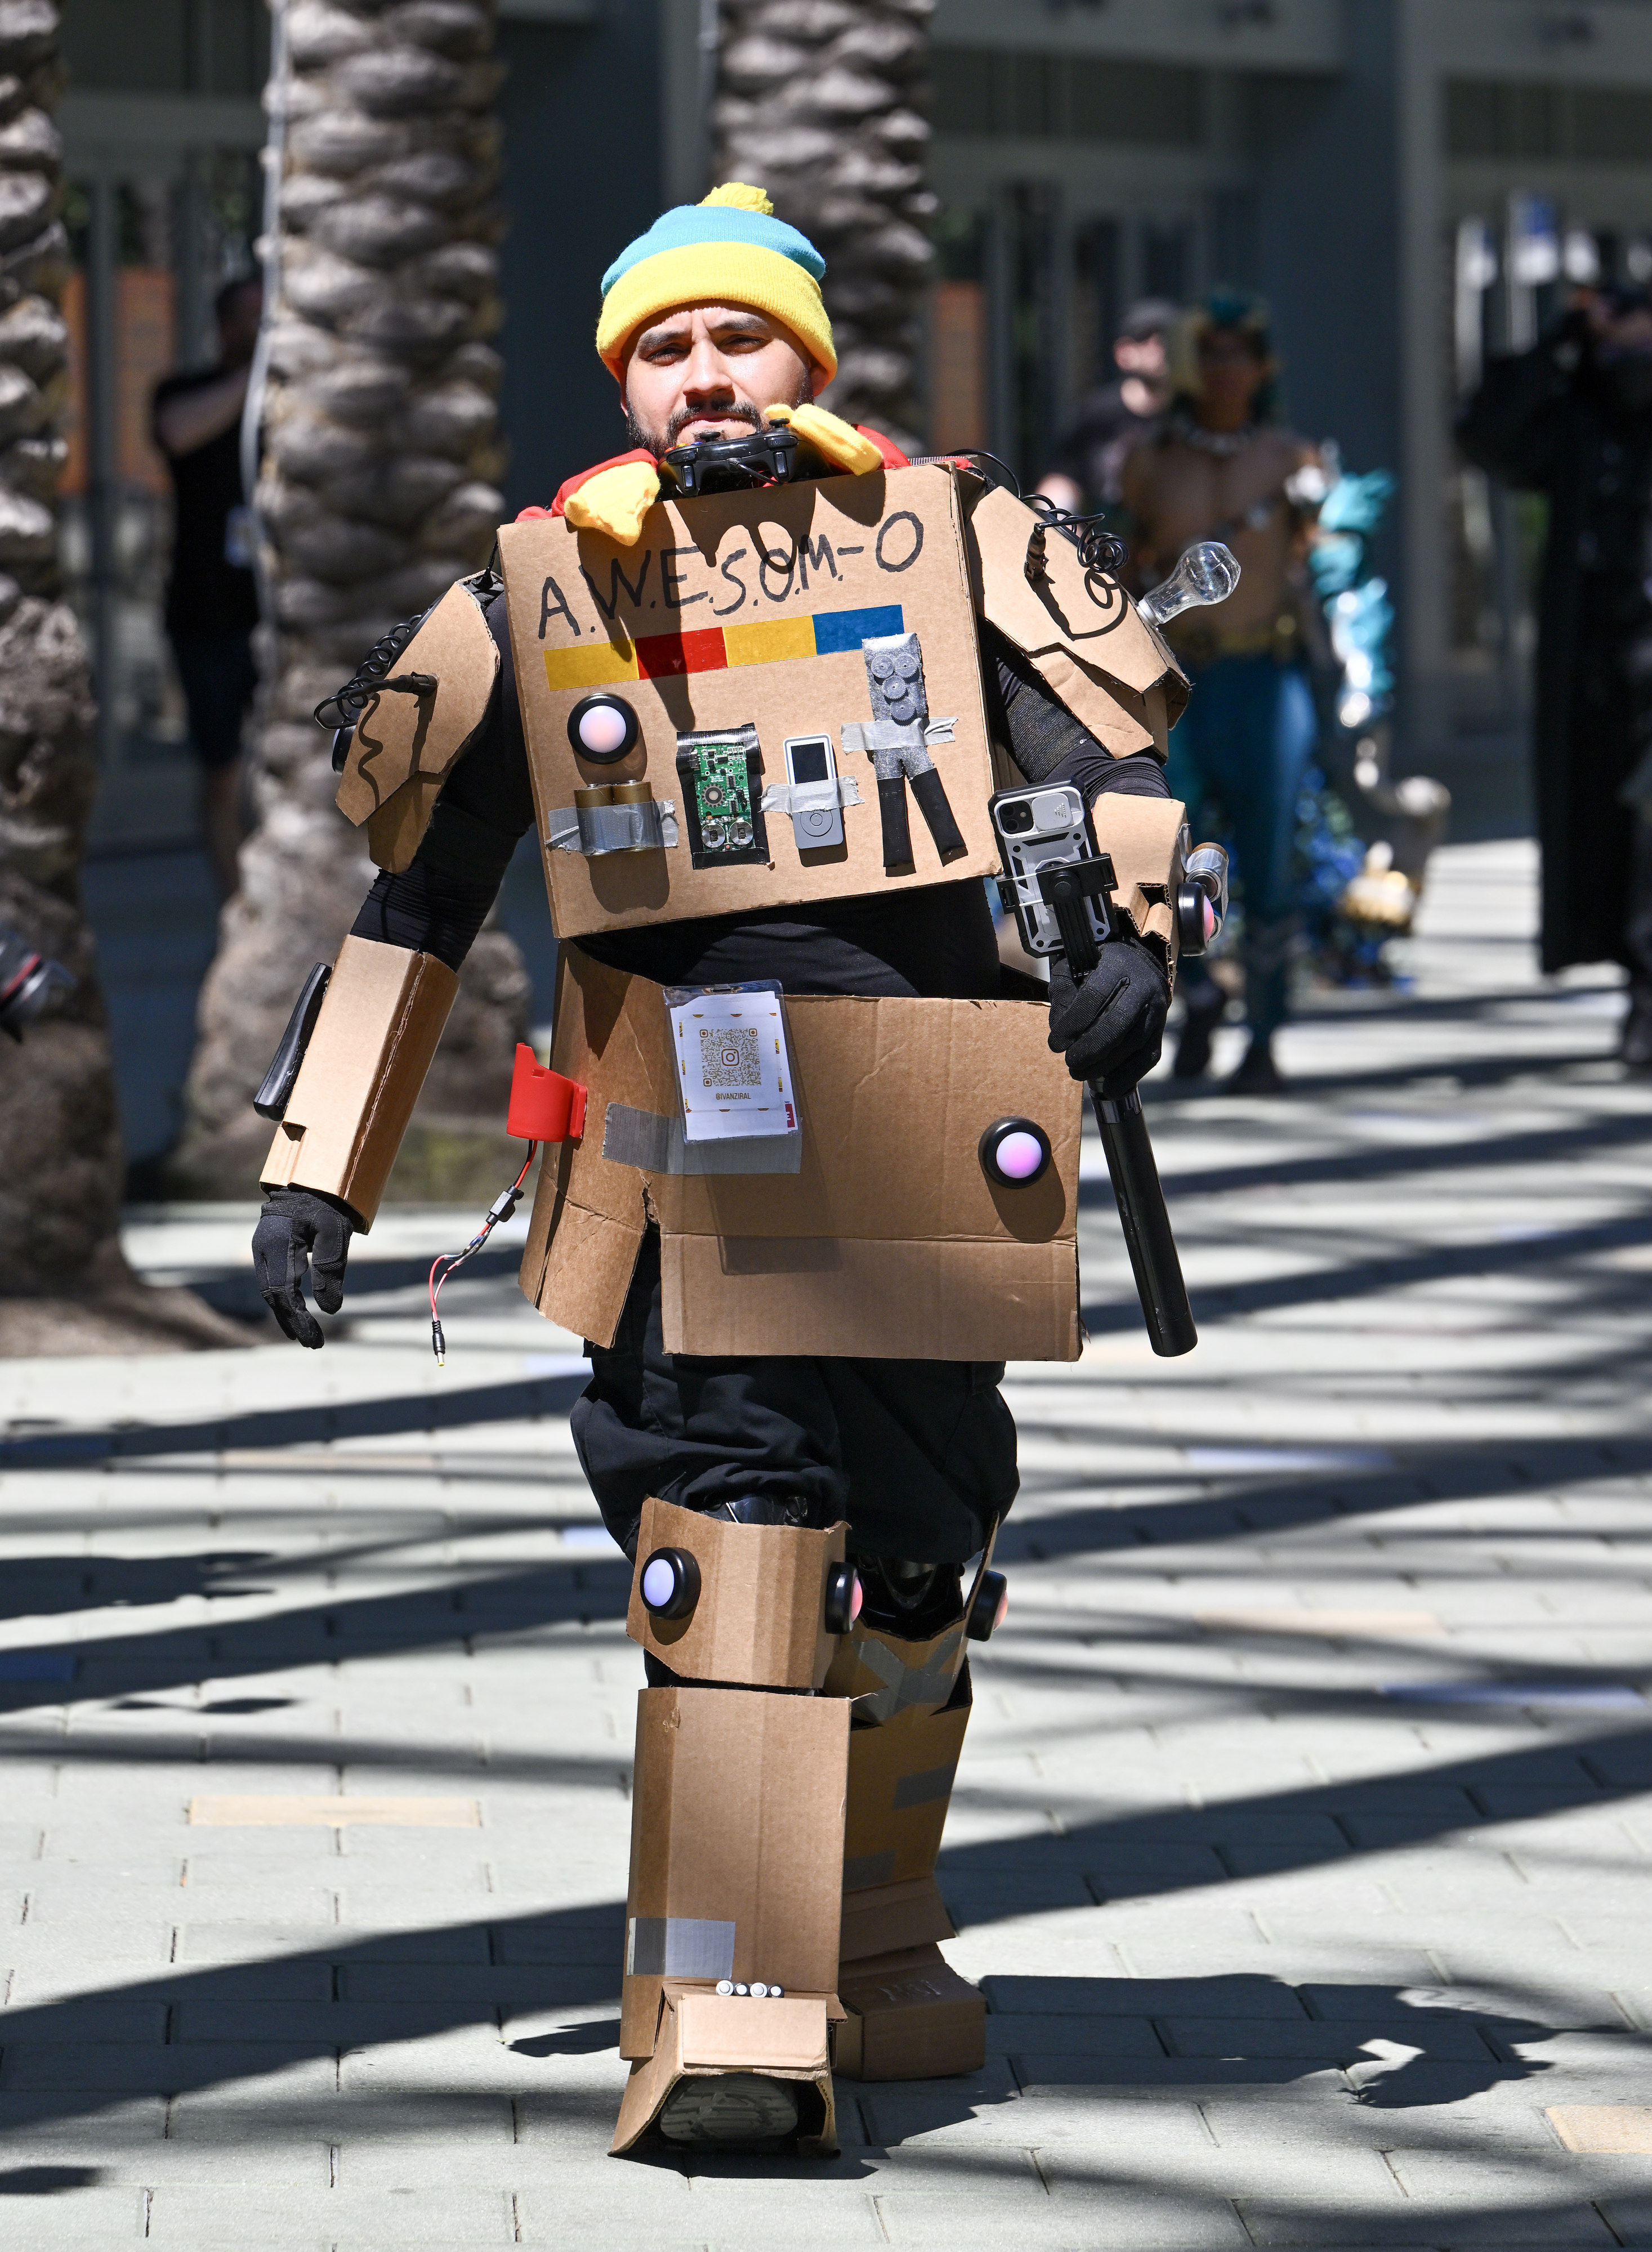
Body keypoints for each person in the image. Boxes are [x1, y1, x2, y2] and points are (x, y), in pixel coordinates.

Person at [248, 185, 1186, 2153]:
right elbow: (418, 895)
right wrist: (317, 1169)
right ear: (625, 380)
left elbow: (1107, 776)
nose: (701, 374)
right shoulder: (540, 587)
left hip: (935, 1111)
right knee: (738, 1528)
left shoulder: (947, 540)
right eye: (663, 346)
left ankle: (881, 1936)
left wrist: (1131, 952)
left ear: (806, 357)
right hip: (685, 1118)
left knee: (923, 1559)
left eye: (735, 337)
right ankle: (732, 2001)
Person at [1121, 290, 1327, 1094]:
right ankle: (1198, 995)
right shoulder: (1150, 459)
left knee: (1271, 860)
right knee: (1170, 852)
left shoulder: (1291, 458)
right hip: (1179, 681)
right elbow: (1125, 565)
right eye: (1210, 354)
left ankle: (1266, 1035)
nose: (1224, 369)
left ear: (1262, 366)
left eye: (1239, 354)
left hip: (1266, 681)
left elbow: (1327, 570)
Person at [1458, 284, 1652, 1069]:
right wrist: (1559, 342)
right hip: (1591, 659)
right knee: (1602, 828)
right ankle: (1631, 976)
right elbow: (1485, 434)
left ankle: (1647, 991)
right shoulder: (1577, 416)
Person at [152, 275, 262, 902]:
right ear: (224, 327)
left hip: (276, 615)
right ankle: (235, 900)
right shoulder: (189, 390)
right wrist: (254, 376)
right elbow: (175, 431)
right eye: (251, 317)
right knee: (221, 769)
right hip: (205, 613)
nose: (263, 325)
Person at [1035, 296, 1178, 516]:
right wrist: (1066, 533)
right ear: (1122, 353)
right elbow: (1062, 480)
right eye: (1145, 338)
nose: (1159, 347)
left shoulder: (1194, 412)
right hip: (1108, 541)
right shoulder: (1099, 413)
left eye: (1169, 338)